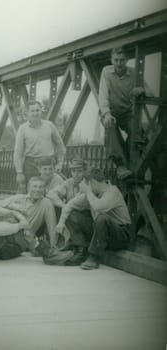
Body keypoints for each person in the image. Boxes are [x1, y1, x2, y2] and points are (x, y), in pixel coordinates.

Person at [63, 168, 132, 269]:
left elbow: (99, 207)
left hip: (120, 236)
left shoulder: (112, 191)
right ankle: (82, 251)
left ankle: (94, 257)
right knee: (73, 215)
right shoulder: (94, 193)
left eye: (86, 183)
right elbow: (71, 205)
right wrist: (61, 222)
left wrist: (88, 191)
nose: (83, 185)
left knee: (102, 217)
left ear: (92, 182)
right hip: (102, 235)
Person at [99, 46, 147, 179]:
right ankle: (120, 165)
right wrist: (106, 114)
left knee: (138, 132)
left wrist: (141, 90)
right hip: (112, 111)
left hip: (127, 112)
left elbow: (149, 91)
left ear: (127, 60)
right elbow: (103, 95)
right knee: (110, 126)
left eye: (122, 60)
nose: (119, 63)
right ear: (111, 60)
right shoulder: (106, 72)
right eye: (116, 60)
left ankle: (129, 162)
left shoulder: (134, 73)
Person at [13, 100, 66, 192]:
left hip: (49, 163)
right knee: (31, 191)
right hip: (31, 165)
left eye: (37, 110)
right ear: (28, 113)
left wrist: (60, 163)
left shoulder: (49, 125)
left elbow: (60, 146)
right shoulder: (22, 129)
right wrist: (19, 172)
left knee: (54, 189)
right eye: (32, 111)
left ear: (41, 111)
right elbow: (18, 153)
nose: (35, 113)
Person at [47, 158, 92, 260]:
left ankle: (81, 249)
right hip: (72, 215)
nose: (75, 174)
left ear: (85, 171)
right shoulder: (69, 182)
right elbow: (51, 194)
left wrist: (65, 210)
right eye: (73, 171)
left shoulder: (87, 185)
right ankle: (68, 241)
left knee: (71, 214)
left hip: (87, 220)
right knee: (54, 206)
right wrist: (62, 205)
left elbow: (73, 204)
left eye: (79, 171)